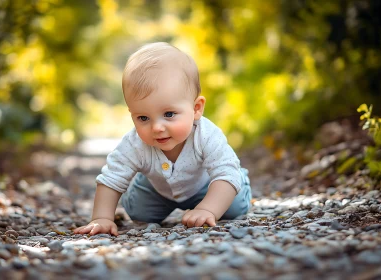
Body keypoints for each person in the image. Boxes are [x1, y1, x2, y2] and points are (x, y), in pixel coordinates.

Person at [74, 42, 251, 236]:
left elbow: (224, 173)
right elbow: (111, 179)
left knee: (234, 207)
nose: (157, 128)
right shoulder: (134, 144)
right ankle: (140, 183)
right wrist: (102, 218)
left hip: (206, 186)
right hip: (157, 191)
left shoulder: (206, 135)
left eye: (169, 114)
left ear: (196, 109)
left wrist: (207, 209)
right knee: (138, 212)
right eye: (143, 118)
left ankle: (239, 179)